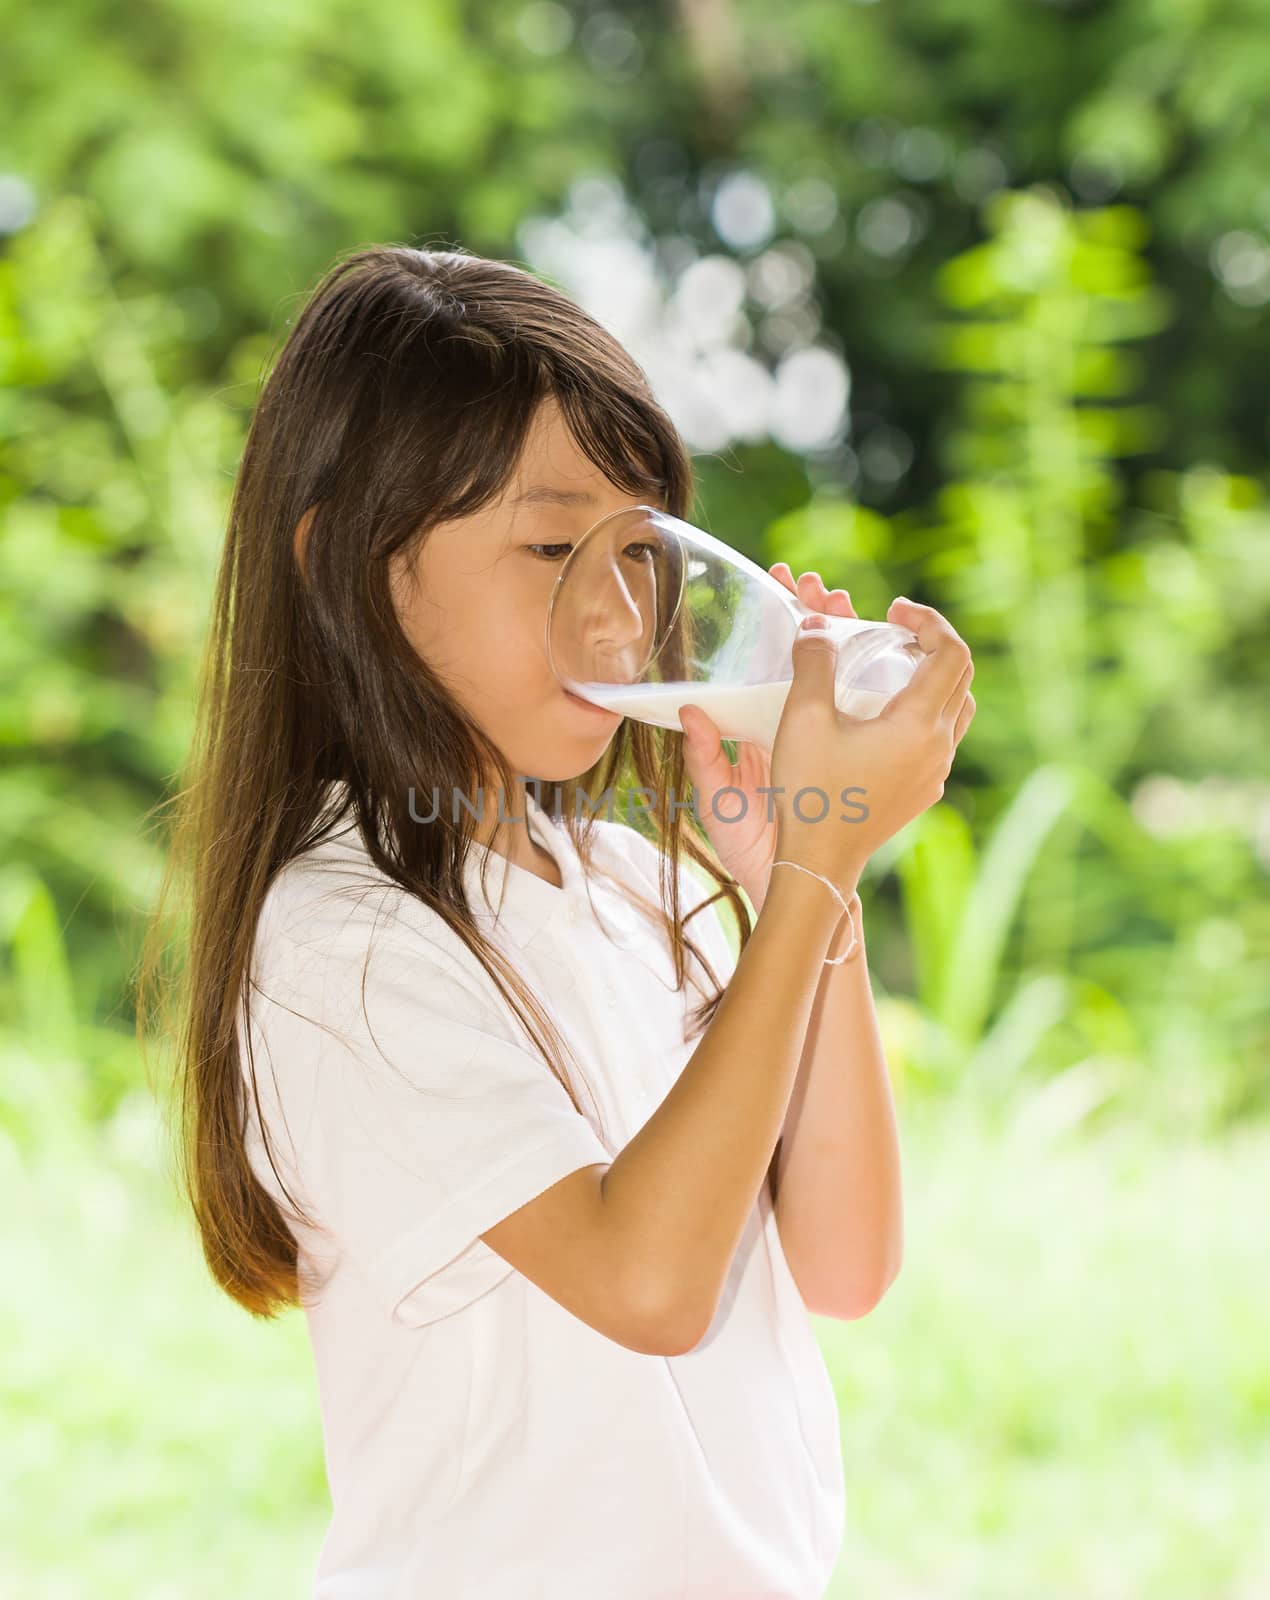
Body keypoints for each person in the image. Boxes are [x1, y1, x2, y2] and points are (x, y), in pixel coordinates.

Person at [139, 243, 976, 1599]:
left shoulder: (635, 881)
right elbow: (644, 1284)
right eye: (548, 545)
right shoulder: (340, 934)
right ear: (344, 565)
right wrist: (815, 868)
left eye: (641, 550)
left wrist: (792, 886)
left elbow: (842, 1261)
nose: (619, 605)